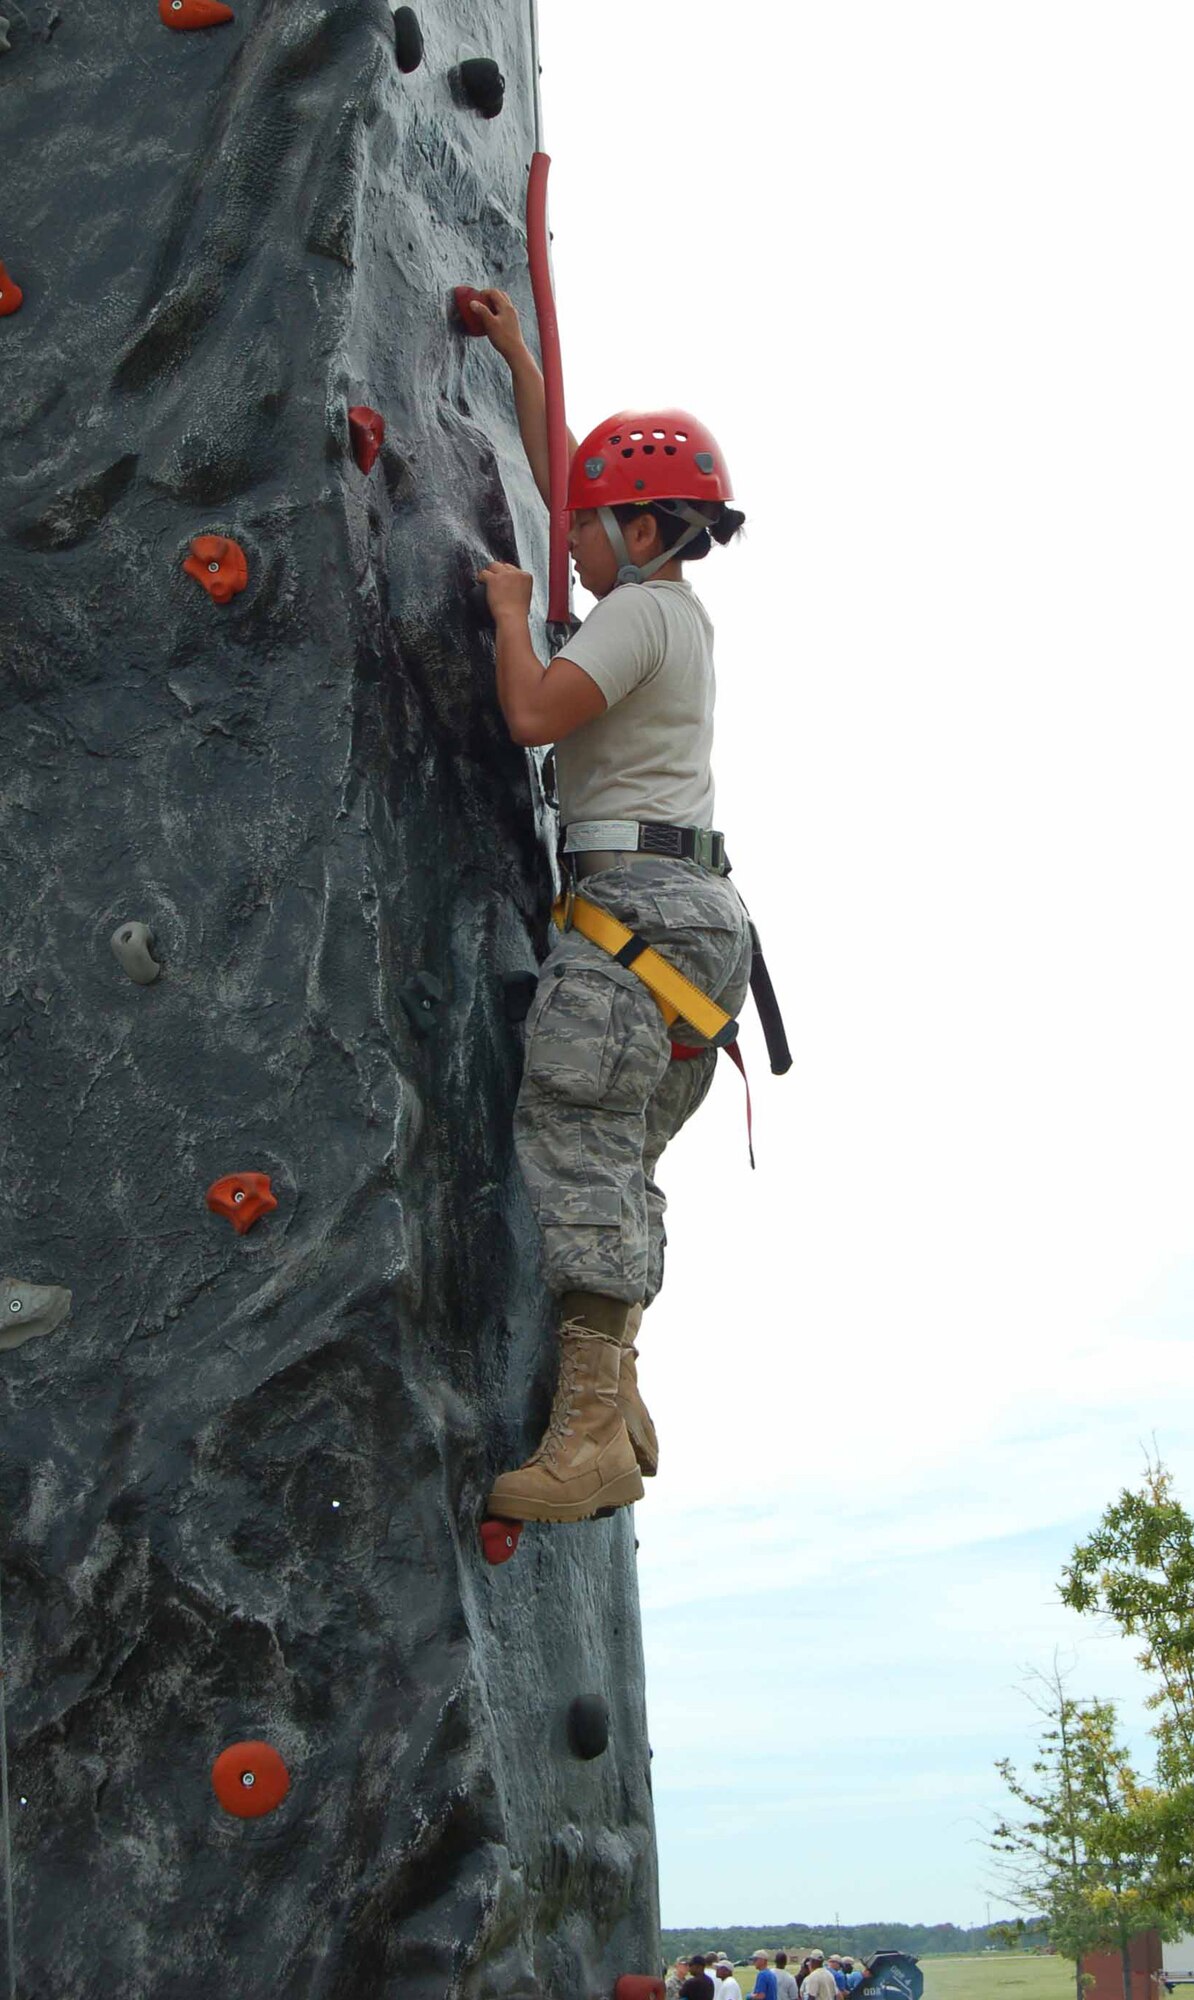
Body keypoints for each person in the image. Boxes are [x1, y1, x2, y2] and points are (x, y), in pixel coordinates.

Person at [467, 287, 753, 1526]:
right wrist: (522, 361)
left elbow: (532, 714)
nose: (570, 538)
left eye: (592, 523)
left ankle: (587, 1433)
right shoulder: (666, 608)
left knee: (576, 1140)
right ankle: (618, 1391)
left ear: (643, 527)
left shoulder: (633, 611)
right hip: (685, 928)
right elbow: (563, 473)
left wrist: (499, 617)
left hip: (630, 918)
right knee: (615, 1153)